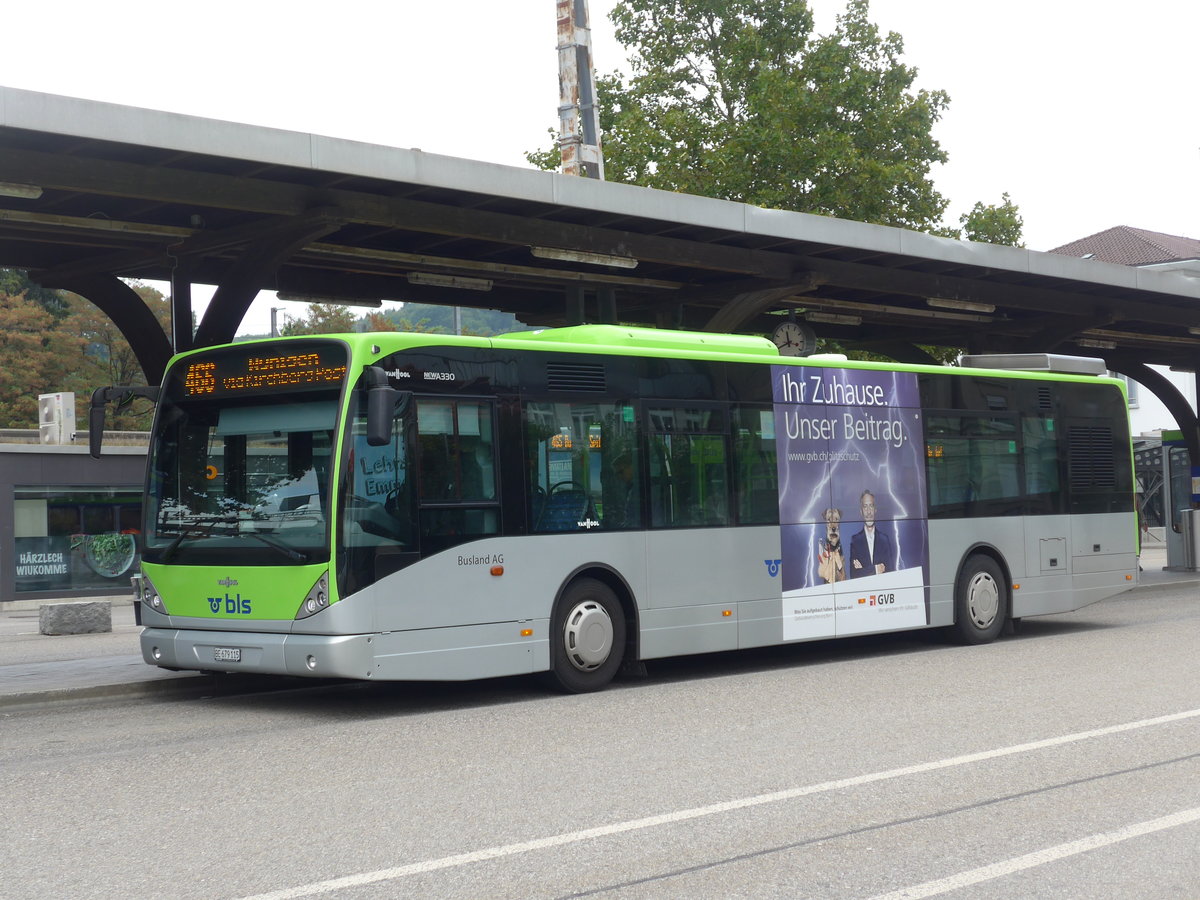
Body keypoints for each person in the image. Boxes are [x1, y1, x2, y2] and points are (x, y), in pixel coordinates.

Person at [849, 489, 896, 578]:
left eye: (871, 506)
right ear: (861, 511)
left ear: (875, 510)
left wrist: (864, 570)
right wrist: (876, 569)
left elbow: (890, 573)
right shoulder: (855, 540)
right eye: (865, 507)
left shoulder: (884, 539)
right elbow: (854, 574)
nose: (869, 512)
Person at [609, 452, 639, 527]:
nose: (619, 476)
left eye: (620, 472)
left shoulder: (639, 490)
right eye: (617, 474)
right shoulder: (631, 488)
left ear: (631, 467)